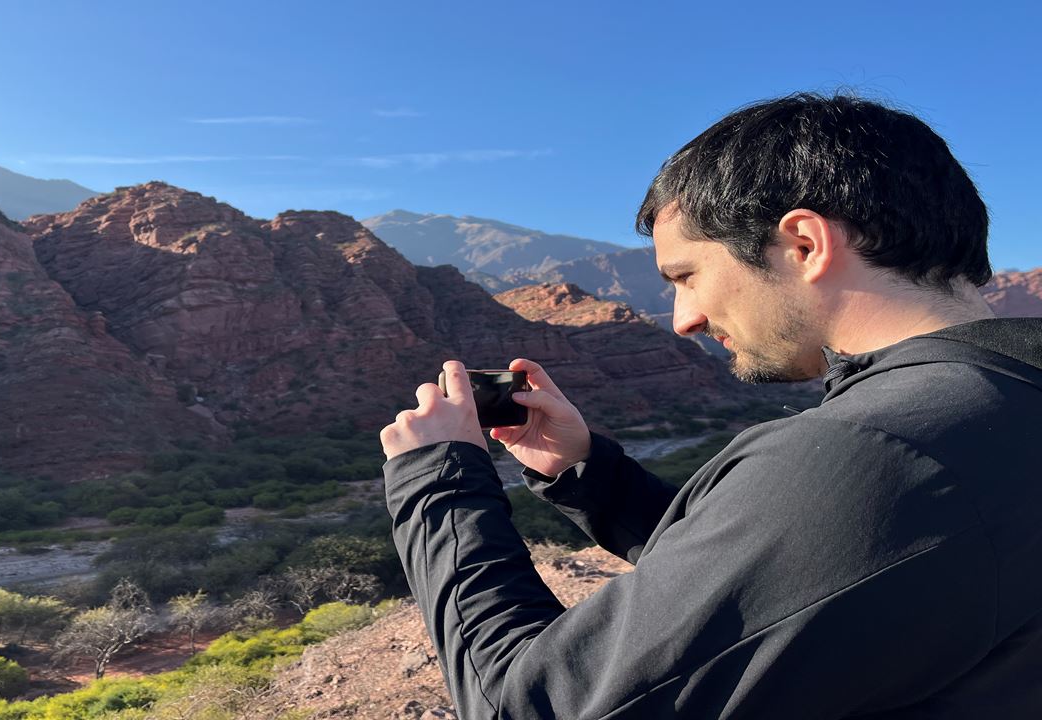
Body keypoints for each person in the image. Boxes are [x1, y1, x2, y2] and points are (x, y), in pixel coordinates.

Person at [379, 94, 1042, 719]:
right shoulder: (994, 407)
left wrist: (438, 480)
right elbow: (803, 574)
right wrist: (584, 473)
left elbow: (528, 705)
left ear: (804, 245)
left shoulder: (876, 453)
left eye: (686, 277)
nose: (684, 320)